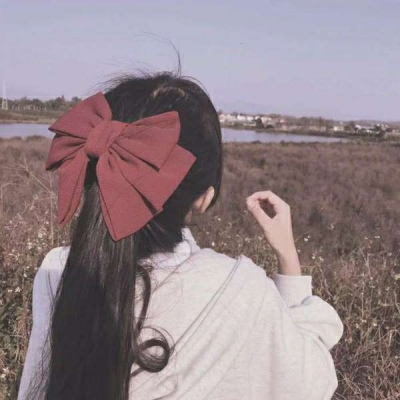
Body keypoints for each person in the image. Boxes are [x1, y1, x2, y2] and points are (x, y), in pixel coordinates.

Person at [17, 71, 343, 400]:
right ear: (203, 197)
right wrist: (288, 257)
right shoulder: (238, 290)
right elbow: (310, 381)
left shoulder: (57, 269)